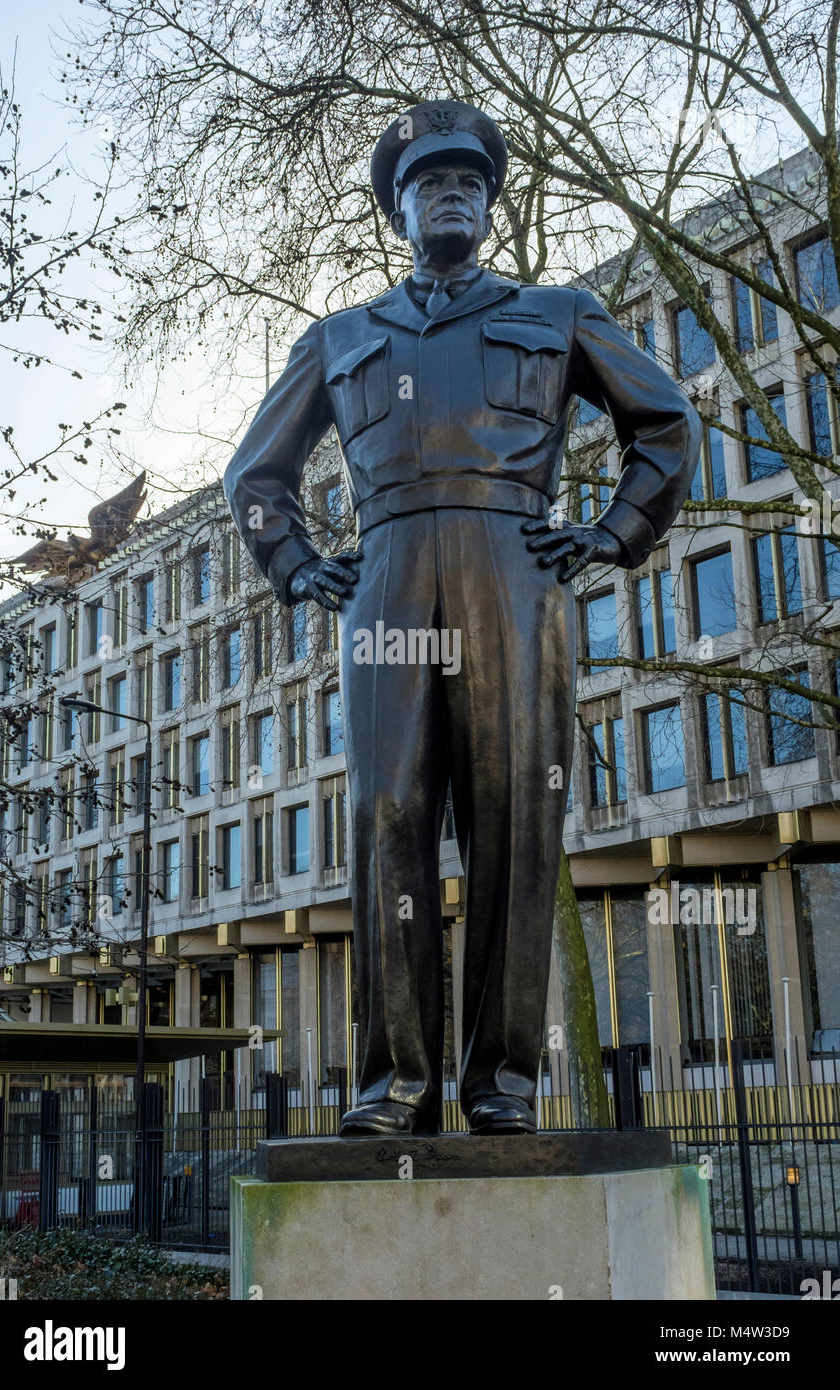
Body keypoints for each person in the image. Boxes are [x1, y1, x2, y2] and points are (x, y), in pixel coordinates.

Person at [224, 100, 700, 1136]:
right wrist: (298, 562)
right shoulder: (340, 337)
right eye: (428, 183)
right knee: (386, 816)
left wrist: (615, 530)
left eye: (468, 183)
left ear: (488, 204)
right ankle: (393, 1084)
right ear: (398, 209)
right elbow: (255, 474)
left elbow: (665, 421)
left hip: (512, 569)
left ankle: (501, 1080)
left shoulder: (561, 311)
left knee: (514, 825)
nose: (451, 195)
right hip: (387, 575)